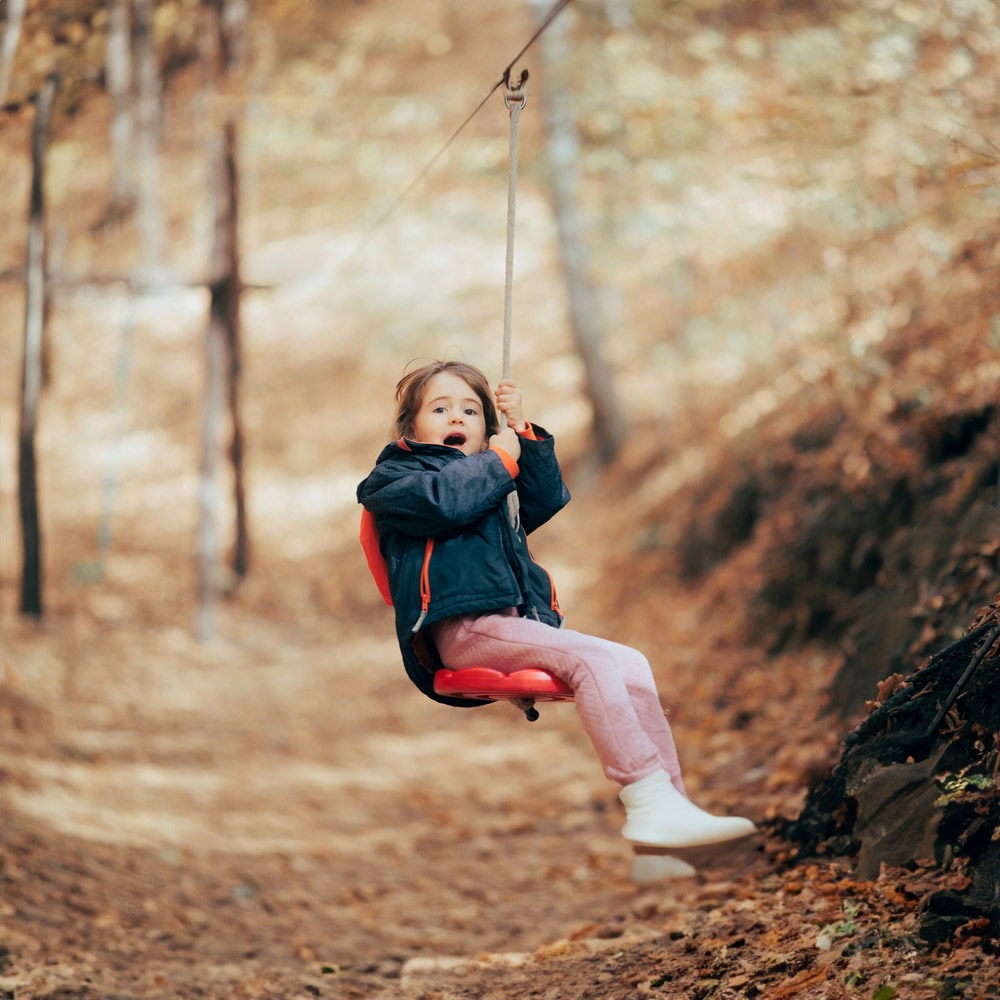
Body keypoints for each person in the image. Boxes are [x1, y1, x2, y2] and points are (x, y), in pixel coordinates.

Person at [357, 360, 756, 851]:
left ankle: (667, 815)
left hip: (507, 623)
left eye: (470, 410)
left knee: (631, 664)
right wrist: (499, 461)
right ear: (410, 425)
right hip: (463, 629)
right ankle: (647, 797)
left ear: (486, 426)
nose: (456, 418)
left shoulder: (488, 477)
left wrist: (521, 433)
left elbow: (542, 499)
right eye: (440, 408)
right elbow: (445, 502)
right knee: (591, 660)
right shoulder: (396, 480)